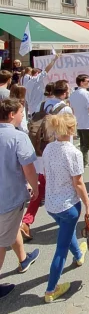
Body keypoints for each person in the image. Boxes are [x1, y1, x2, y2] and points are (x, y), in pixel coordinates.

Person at [42, 113, 89, 302]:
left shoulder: (48, 149)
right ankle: (50, 289)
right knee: (61, 248)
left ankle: (79, 255)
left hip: (51, 204)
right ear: (72, 130)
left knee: (67, 231)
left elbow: (47, 175)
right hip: (68, 205)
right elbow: (78, 183)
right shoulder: (73, 153)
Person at [21, 80, 73, 241]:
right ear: (64, 93)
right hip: (57, 153)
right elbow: (68, 134)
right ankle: (64, 221)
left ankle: (27, 221)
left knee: (41, 187)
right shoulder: (65, 108)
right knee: (67, 186)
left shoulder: (41, 106)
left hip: (40, 153)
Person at [0, 99, 40, 298]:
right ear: (11, 115)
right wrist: (35, 188)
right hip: (8, 198)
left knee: (11, 227)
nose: (23, 115)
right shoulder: (18, 137)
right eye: (21, 112)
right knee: (1, 242)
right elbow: (29, 168)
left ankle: (23, 258)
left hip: (7, 199)